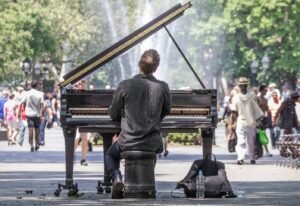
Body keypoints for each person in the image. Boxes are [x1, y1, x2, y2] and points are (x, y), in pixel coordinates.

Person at [106, 49, 171, 198]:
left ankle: (116, 178)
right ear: (156, 67)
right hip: (152, 141)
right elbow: (167, 109)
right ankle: (145, 184)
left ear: (139, 64)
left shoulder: (125, 85)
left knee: (110, 154)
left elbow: (114, 113)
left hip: (127, 140)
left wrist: (117, 113)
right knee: (152, 152)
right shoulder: (163, 86)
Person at [229, 77, 264, 165]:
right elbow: (234, 112)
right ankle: (241, 158)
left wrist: (233, 122)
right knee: (243, 140)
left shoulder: (249, 96)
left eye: (243, 85)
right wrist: (233, 123)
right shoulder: (249, 96)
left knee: (250, 141)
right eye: (241, 85)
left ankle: (251, 158)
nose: (242, 87)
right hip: (244, 120)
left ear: (246, 86)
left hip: (248, 121)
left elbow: (234, 111)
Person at [23, 80, 44, 152]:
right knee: (37, 130)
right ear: (37, 85)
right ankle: (37, 145)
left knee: (30, 130)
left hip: (29, 114)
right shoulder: (40, 94)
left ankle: (31, 145)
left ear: (31, 85)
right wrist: (41, 114)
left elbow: (23, 103)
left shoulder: (27, 93)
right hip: (37, 114)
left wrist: (24, 110)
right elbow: (42, 105)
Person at [74, 79, 89, 166]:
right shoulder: (73, 94)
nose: (80, 85)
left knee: (85, 139)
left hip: (83, 118)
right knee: (76, 138)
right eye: (78, 84)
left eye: (81, 84)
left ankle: (83, 159)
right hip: (75, 118)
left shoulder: (86, 94)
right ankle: (72, 154)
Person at [256, 85, 272, 157]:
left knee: (263, 135)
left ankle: (267, 151)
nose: (266, 92)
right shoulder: (256, 99)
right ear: (261, 90)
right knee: (257, 136)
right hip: (256, 119)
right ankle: (257, 151)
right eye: (265, 90)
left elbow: (266, 109)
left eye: (266, 90)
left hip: (263, 119)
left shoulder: (265, 99)